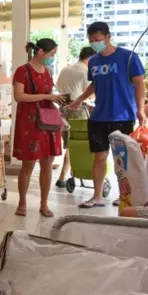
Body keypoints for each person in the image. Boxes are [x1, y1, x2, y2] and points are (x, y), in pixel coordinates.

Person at [69, 21, 146, 208]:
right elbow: (94, 84)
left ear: (108, 37)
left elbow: (139, 83)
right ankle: (97, 196)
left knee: (122, 160)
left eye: (98, 39)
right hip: (98, 118)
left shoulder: (128, 57)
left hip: (123, 117)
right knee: (100, 157)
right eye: (91, 40)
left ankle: (124, 196)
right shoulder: (94, 61)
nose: (95, 43)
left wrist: (140, 109)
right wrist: (79, 99)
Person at [11, 39, 64, 218]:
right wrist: (47, 95)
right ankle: (22, 202)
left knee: (47, 163)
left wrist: (57, 98)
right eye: (51, 54)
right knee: (28, 164)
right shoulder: (22, 70)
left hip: (48, 121)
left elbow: (48, 94)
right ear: (40, 51)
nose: (52, 58)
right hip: (30, 122)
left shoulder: (48, 71)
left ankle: (44, 203)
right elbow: (19, 96)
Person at [55, 46, 97, 188]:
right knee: (79, 143)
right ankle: (71, 175)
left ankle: (63, 177)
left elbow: (58, 85)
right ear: (90, 58)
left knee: (69, 143)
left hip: (63, 108)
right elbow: (89, 94)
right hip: (78, 109)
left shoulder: (66, 69)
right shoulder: (85, 71)